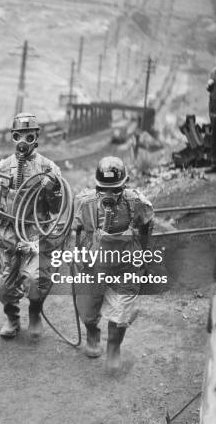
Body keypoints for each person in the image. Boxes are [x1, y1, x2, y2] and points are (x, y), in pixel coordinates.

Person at [0, 112, 63, 339]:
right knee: (5, 287)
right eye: (19, 135)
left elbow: (56, 209)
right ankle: (12, 318)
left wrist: (52, 189)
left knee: (34, 279)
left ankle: (34, 313)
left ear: (36, 137)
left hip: (34, 235)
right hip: (7, 235)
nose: (23, 141)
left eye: (29, 135)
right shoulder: (3, 167)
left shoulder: (48, 169)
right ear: (13, 137)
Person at [71, 156, 154, 371]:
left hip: (125, 262)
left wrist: (143, 254)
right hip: (94, 262)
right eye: (103, 189)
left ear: (124, 185)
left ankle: (114, 347)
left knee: (122, 310)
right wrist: (79, 255)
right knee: (87, 309)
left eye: (115, 190)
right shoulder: (85, 203)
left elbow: (147, 224)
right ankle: (92, 332)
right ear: (96, 186)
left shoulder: (136, 202)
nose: (108, 195)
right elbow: (76, 231)